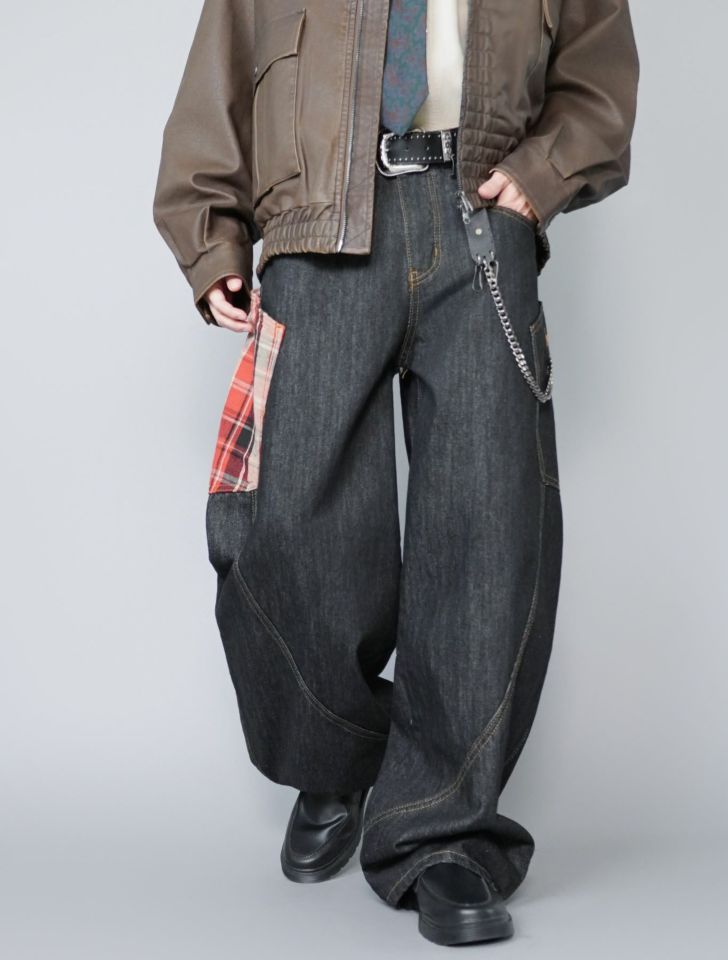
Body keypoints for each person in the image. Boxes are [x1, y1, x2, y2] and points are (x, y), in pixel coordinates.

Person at [153, 0, 639, 946]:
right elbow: (222, 70)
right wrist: (210, 235)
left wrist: (541, 174)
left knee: (486, 529)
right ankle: (335, 754)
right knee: (283, 525)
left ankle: (443, 833)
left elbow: (598, 76)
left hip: (480, 222)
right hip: (318, 230)